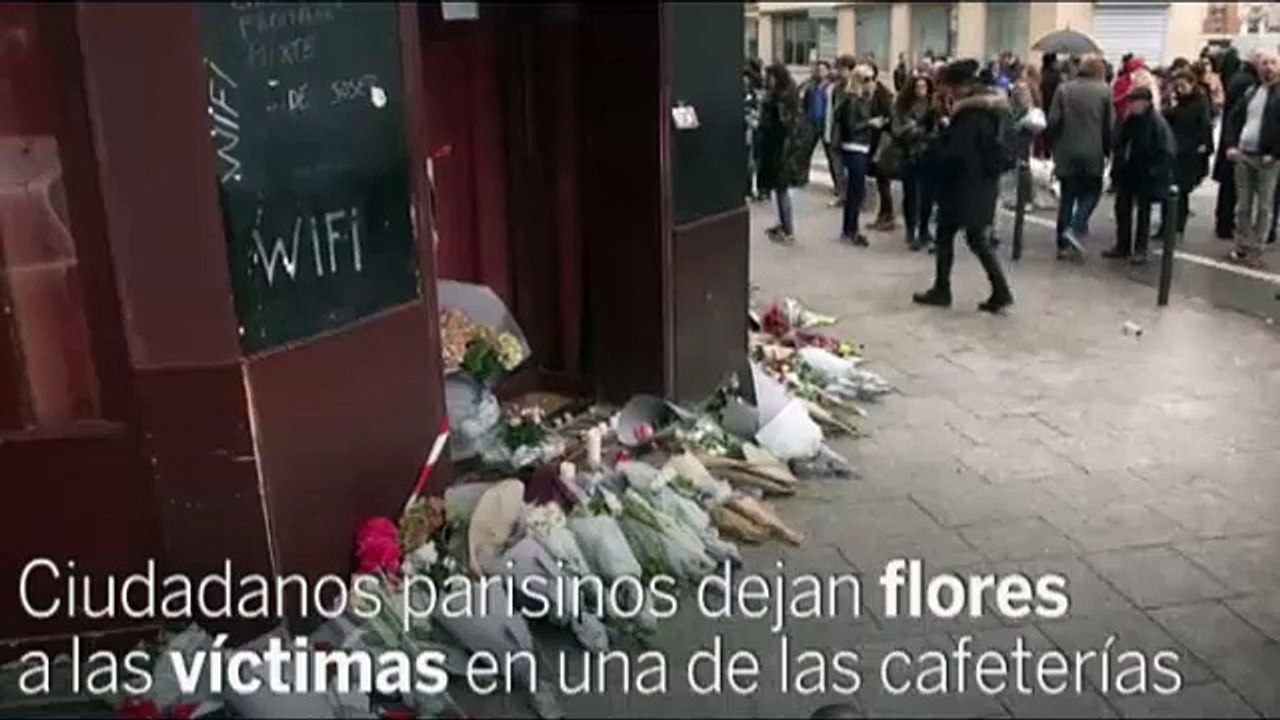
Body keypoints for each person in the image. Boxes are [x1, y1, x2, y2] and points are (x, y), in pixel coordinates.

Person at [912, 59, 1014, 313]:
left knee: (952, 235)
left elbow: (958, 152)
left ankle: (943, 290)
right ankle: (999, 290)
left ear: (962, 86)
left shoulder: (971, 114)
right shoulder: (995, 110)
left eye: (949, 86)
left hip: (964, 186)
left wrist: (936, 145)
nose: (947, 91)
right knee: (975, 238)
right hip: (982, 184)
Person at [1047, 55, 1112, 262]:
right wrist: (1109, 149)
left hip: (1066, 151)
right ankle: (1075, 227)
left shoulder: (1064, 89)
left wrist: (1052, 145)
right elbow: (1108, 125)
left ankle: (1062, 245)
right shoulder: (1104, 91)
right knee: (1091, 192)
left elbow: (1053, 120)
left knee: (1067, 196)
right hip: (1093, 150)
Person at [1220, 49, 1280, 268]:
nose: (1268, 67)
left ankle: (1258, 249)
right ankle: (1241, 246)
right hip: (1244, 154)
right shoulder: (1251, 91)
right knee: (1243, 205)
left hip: (1267, 160)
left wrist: (1274, 153)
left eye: (1273, 63)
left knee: (1264, 207)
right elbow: (1234, 119)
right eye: (1264, 63)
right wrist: (1232, 145)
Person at [1105, 86, 1175, 265]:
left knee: (1143, 213)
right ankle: (1122, 245)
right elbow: (1120, 142)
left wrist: (1155, 171)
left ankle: (1140, 249)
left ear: (1146, 103)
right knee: (1122, 209)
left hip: (1146, 173)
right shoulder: (1131, 119)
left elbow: (1166, 151)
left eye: (1135, 101)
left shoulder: (1156, 122)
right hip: (1128, 171)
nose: (1132, 105)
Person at [891, 73, 943, 250]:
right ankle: (910, 229)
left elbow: (938, 132)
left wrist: (931, 131)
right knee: (911, 195)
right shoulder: (902, 107)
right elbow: (897, 130)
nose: (921, 90)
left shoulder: (934, 107)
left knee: (927, 196)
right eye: (918, 86)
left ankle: (924, 230)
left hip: (928, 155)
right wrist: (912, 129)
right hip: (909, 155)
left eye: (924, 86)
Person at [1214, 49, 1263, 239]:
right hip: (1238, 144)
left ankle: (1224, 223)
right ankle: (1226, 225)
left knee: (1229, 187)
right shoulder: (1247, 83)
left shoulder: (1239, 78)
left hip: (1232, 141)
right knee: (1233, 187)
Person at [1160, 70, 1214, 240]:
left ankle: (1176, 228)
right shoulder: (1180, 103)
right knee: (1170, 191)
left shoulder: (1199, 103)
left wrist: (1204, 148)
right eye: (1177, 86)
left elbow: (1205, 127)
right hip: (1176, 151)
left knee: (1180, 192)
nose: (1179, 89)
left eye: (1182, 86)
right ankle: (1166, 226)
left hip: (1188, 153)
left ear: (1192, 84)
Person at [758, 62, 809, 245]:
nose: (766, 79)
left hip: (782, 150)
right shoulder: (785, 94)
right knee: (779, 190)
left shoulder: (781, 98)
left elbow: (782, 125)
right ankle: (782, 224)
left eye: (769, 76)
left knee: (782, 190)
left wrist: (764, 122)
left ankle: (788, 230)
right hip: (781, 149)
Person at [832, 63, 877, 246]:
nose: (871, 83)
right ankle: (851, 229)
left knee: (855, 191)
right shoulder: (852, 100)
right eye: (867, 79)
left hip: (859, 147)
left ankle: (849, 228)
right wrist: (870, 123)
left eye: (872, 79)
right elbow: (851, 126)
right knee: (856, 191)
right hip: (854, 147)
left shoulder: (859, 99)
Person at [866, 64, 898, 231]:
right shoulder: (865, 92)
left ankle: (888, 214)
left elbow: (891, 117)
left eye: (868, 78)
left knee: (883, 178)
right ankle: (883, 214)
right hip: (872, 140)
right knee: (880, 181)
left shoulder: (883, 94)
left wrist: (881, 121)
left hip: (883, 141)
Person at [1039, 52, 1062, 124]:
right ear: (1052, 62)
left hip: (1045, 101)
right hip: (1053, 102)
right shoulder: (1056, 74)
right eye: (1056, 61)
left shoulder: (1043, 72)